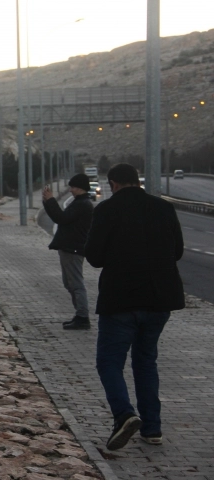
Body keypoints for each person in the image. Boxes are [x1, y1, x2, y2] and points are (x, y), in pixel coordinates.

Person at [85, 163, 184, 450]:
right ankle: (152, 429)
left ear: (113, 183)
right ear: (137, 182)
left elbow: (94, 257)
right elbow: (177, 251)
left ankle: (124, 415)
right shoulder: (163, 208)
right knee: (145, 362)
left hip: (121, 299)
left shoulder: (106, 210)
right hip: (159, 299)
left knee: (109, 362)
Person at [41, 173, 94, 330]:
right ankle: (79, 315)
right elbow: (60, 217)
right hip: (69, 248)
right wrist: (48, 202)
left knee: (76, 284)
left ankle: (83, 317)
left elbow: (61, 218)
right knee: (69, 283)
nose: (70, 190)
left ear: (80, 188)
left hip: (74, 248)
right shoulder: (80, 202)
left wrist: (51, 200)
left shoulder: (82, 204)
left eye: (73, 187)